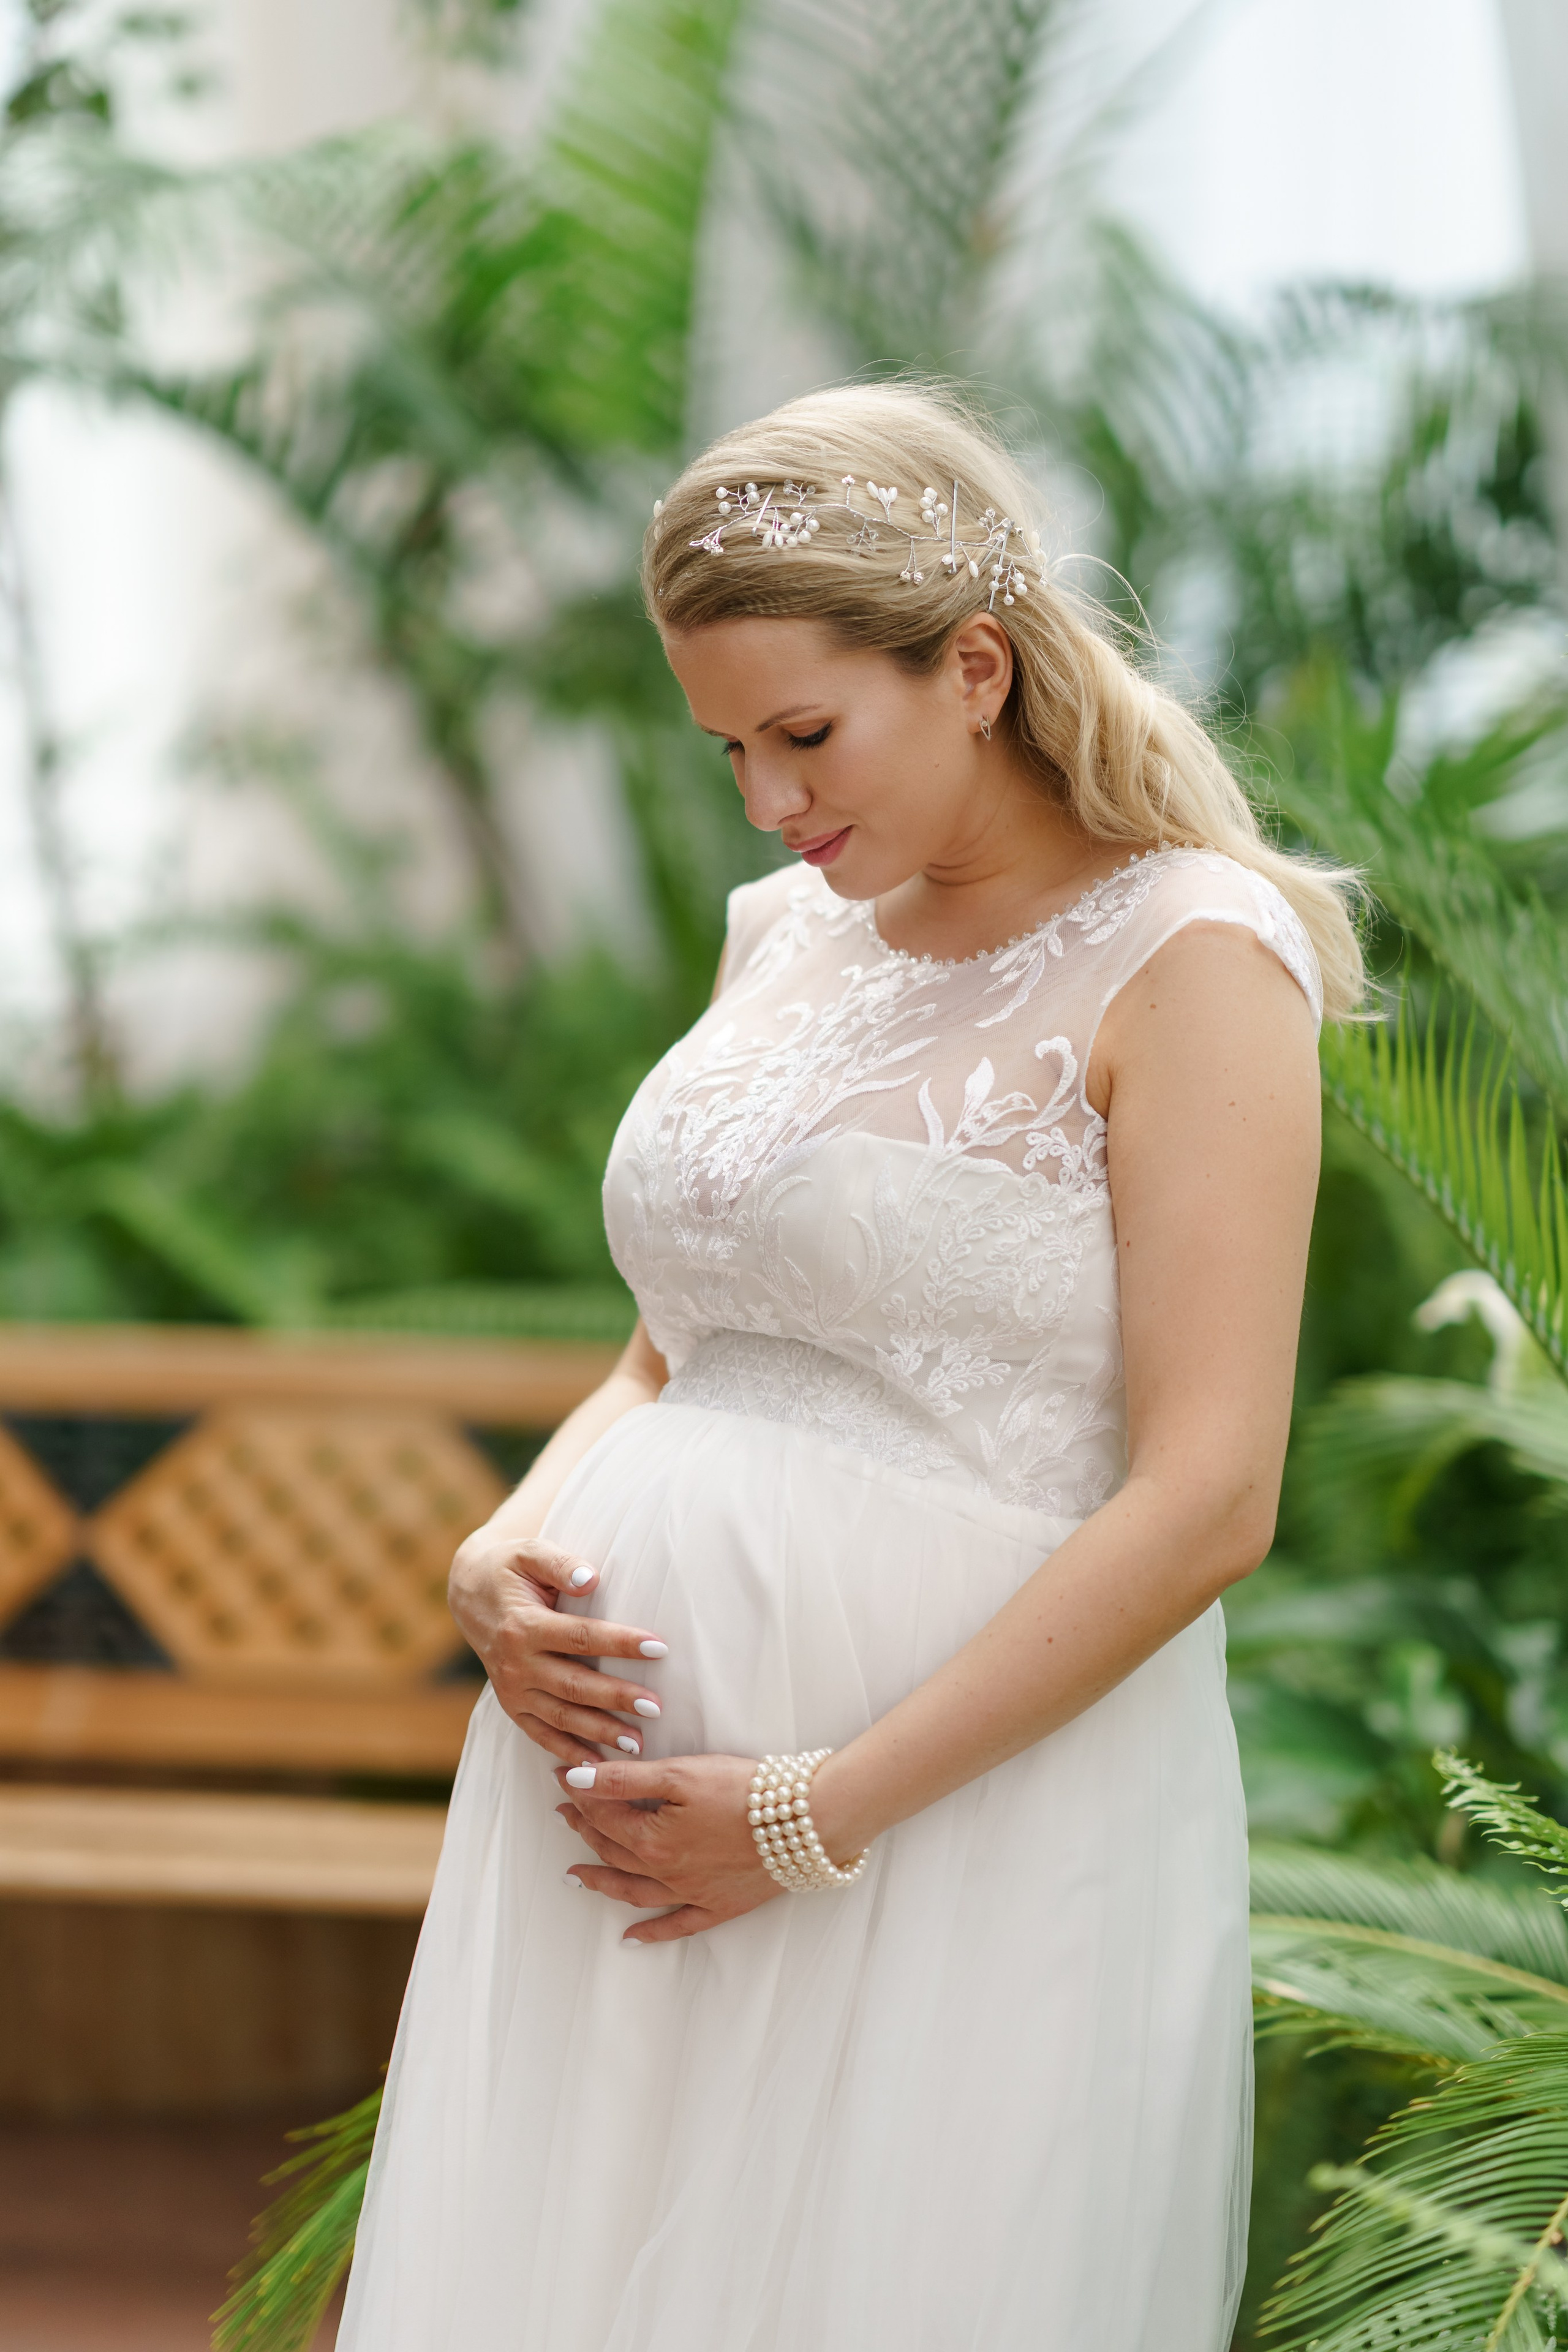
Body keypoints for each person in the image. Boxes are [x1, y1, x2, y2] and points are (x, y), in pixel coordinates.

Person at [336, 382, 1359, 2352]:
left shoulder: (1196, 955)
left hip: (947, 1829)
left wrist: (817, 1809)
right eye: (727, 747)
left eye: (806, 735)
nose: (770, 806)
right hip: (615, 1826)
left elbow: (1212, 1494)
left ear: (975, 667)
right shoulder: (776, 937)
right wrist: (509, 1538)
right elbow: (670, 1353)